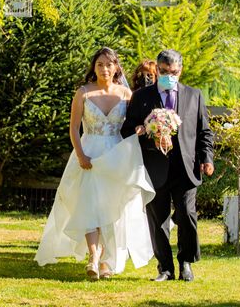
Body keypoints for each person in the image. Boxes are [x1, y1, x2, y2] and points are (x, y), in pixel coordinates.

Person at [35, 47, 155, 281]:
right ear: (94, 67)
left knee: (113, 207)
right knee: (90, 205)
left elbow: (133, 124)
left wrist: (143, 127)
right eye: (100, 64)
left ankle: (108, 261)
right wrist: (80, 154)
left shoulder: (126, 95)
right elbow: (73, 127)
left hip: (116, 156)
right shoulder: (83, 93)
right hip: (89, 153)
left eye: (109, 64)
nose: (104, 69)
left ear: (116, 67)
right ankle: (93, 256)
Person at [121, 49, 214, 282]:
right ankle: (165, 268)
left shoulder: (194, 96)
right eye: (163, 72)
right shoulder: (142, 97)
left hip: (186, 167)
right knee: (158, 219)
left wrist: (207, 159)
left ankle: (186, 263)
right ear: (157, 70)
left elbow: (204, 132)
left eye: (173, 72)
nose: (168, 76)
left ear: (180, 71)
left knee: (187, 215)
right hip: (154, 165)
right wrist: (141, 130)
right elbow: (126, 130)